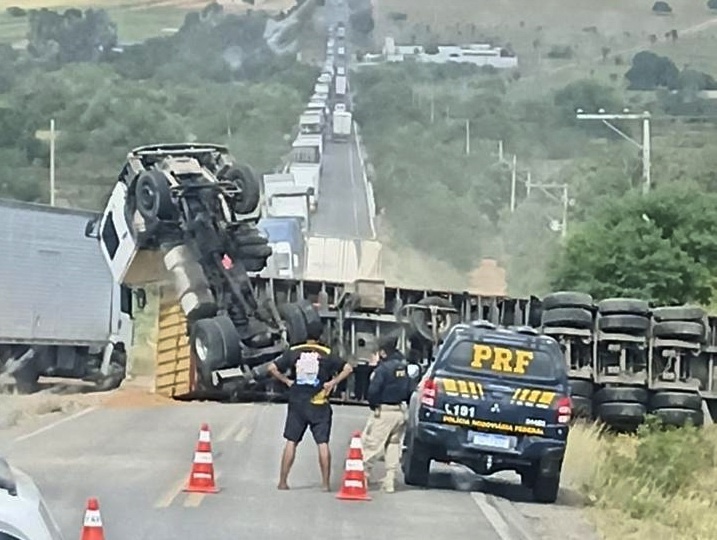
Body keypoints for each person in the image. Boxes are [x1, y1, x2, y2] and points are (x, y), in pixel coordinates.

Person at [267, 328, 353, 492]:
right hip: (319, 402)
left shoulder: (294, 351)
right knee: (322, 443)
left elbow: (271, 367)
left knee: (291, 441)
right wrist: (332, 383)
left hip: (297, 402)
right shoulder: (327, 352)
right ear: (320, 336)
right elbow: (348, 368)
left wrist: (287, 381)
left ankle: (283, 481)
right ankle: (325, 484)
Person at [361, 335, 412, 493]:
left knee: (372, 445)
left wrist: (374, 405)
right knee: (393, 445)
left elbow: (373, 391)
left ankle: (362, 476)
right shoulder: (403, 367)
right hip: (400, 411)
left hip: (385, 411)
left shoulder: (383, 369)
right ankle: (389, 480)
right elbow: (410, 388)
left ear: (383, 352)